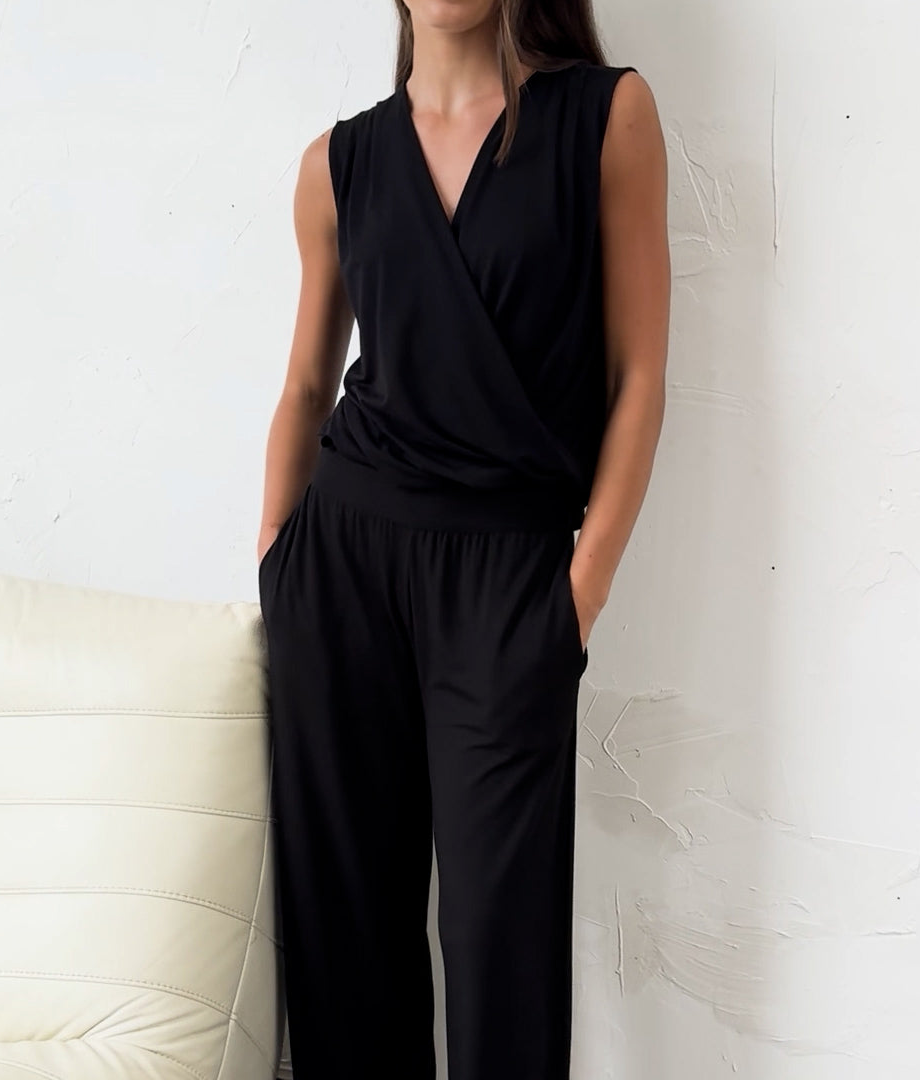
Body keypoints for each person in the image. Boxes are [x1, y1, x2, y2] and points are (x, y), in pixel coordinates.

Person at [256, 1, 668, 1077]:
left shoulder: (606, 118)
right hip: (340, 576)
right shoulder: (338, 163)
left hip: (508, 581)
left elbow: (638, 376)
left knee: (502, 952)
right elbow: (305, 384)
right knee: (345, 945)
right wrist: (278, 563)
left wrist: (579, 593)